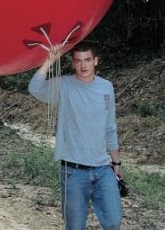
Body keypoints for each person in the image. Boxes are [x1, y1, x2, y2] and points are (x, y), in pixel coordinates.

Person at [28, 41, 122, 230]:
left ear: (96, 61)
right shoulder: (64, 85)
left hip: (103, 169)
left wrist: (117, 163)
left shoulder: (106, 87)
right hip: (73, 171)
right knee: (75, 226)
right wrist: (49, 61)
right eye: (78, 61)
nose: (83, 65)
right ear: (72, 63)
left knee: (113, 221)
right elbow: (35, 88)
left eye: (87, 60)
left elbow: (110, 127)